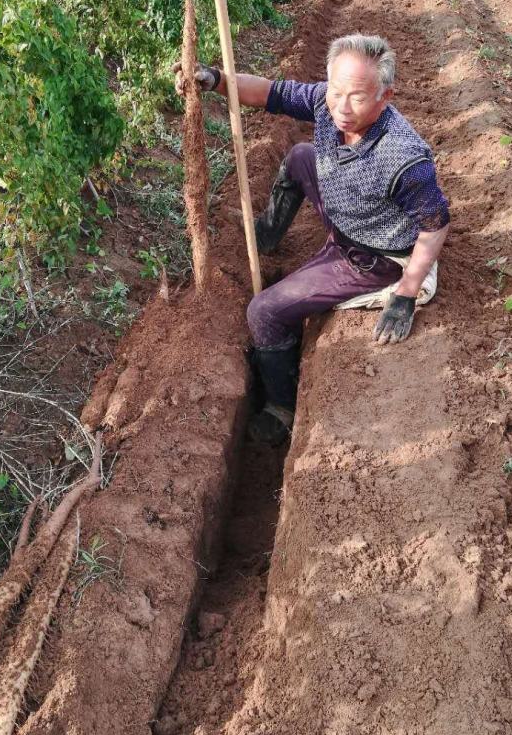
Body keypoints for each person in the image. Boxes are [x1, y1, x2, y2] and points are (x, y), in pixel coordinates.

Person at [176, 33, 450, 445]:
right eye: (336, 92)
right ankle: (267, 233)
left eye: (357, 97)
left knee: (263, 313)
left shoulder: (404, 158)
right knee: (302, 156)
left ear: (385, 95)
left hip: (371, 255)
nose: (341, 107)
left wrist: (406, 294)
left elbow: (435, 225)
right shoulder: (330, 103)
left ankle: (281, 407)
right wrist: (215, 79)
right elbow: (274, 93)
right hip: (347, 215)